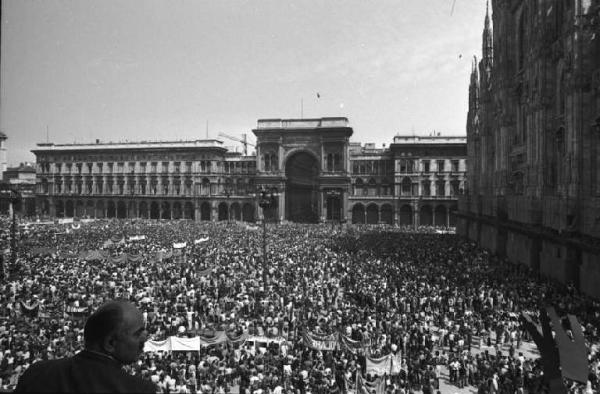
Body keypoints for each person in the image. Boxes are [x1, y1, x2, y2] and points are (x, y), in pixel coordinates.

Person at [14, 300, 156, 393]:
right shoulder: (139, 389)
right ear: (110, 343)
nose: (145, 338)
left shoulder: (37, 373)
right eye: (138, 334)